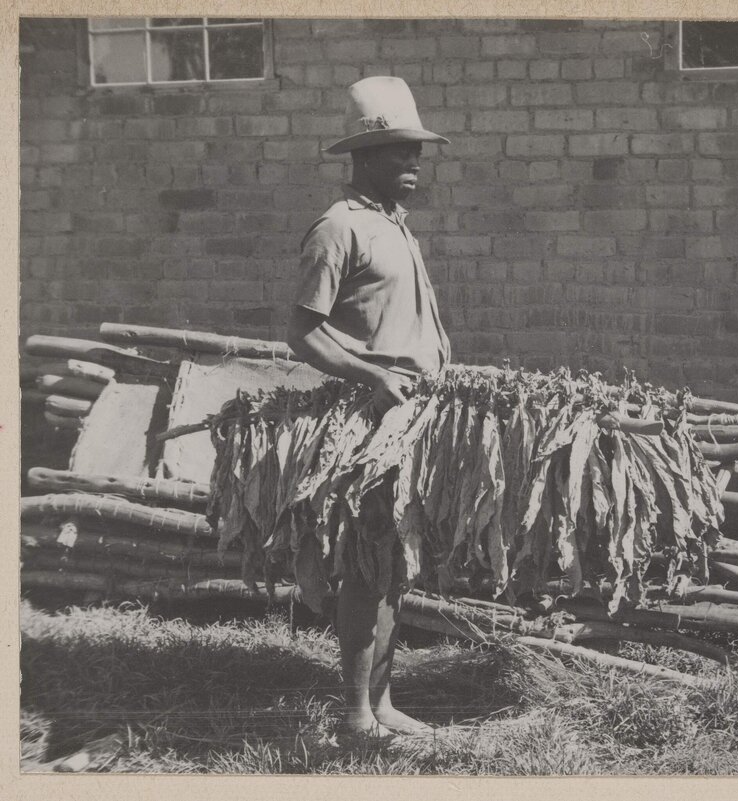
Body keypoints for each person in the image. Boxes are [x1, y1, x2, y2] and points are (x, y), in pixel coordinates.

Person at [286, 76, 451, 739]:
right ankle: (356, 715)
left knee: (393, 566)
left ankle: (382, 703)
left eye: (416, 152)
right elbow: (302, 331)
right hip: (365, 421)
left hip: (408, 419)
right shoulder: (339, 227)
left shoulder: (394, 227)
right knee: (365, 564)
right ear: (362, 156)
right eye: (397, 152)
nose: (412, 164)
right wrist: (368, 376)